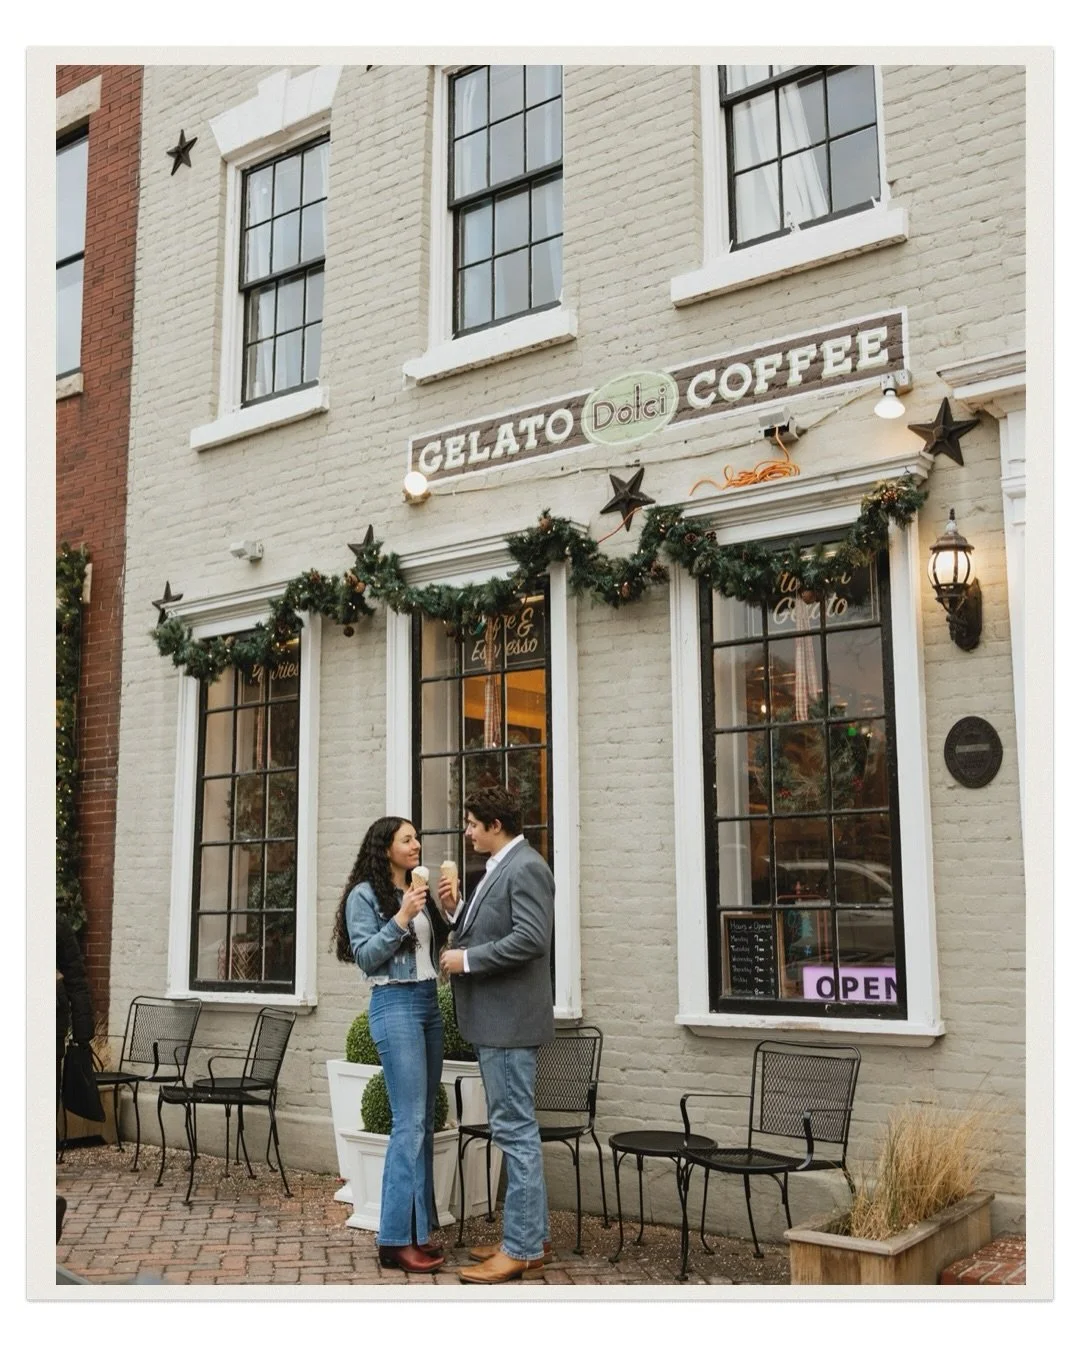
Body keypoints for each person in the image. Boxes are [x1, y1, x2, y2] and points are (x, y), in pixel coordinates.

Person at [437, 784, 555, 1284]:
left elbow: (531, 938)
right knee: (516, 1130)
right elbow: (489, 928)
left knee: (514, 1132)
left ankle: (522, 1248)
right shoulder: (501, 867)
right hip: (496, 1021)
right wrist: (454, 911)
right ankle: (533, 1236)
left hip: (507, 1024)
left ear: (495, 826)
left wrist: (466, 960)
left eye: (471, 823)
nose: (466, 832)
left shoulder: (526, 866)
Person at [332, 816, 449, 1274]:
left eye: (418, 837)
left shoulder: (418, 889)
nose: (417, 844)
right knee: (409, 1121)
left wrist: (444, 908)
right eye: (407, 839)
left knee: (422, 1123)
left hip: (428, 1003)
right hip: (393, 1003)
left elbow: (433, 950)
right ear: (385, 849)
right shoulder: (366, 896)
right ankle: (394, 1238)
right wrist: (402, 915)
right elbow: (364, 955)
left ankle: (418, 1232)